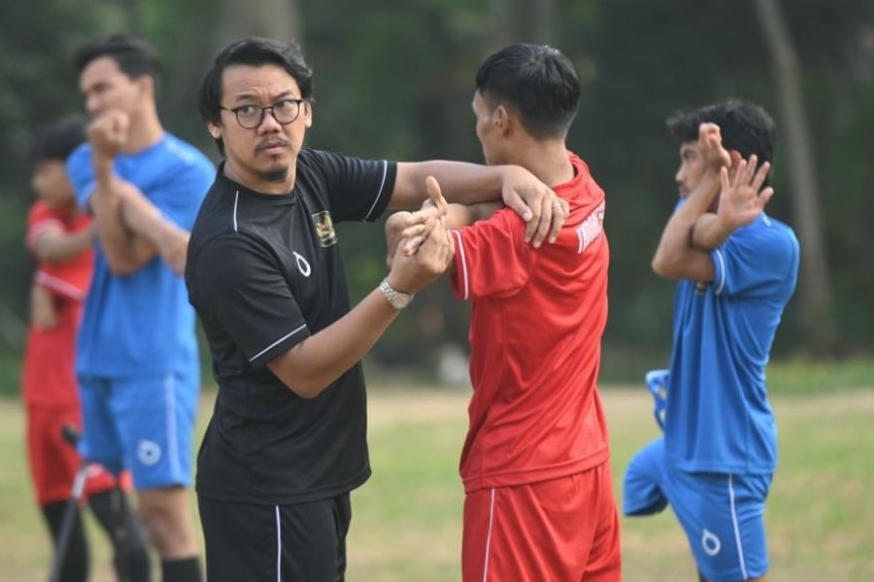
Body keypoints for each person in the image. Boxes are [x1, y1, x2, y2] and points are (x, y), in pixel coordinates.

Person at [184, 36, 567, 581]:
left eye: (284, 105)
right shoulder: (231, 242)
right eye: (246, 110)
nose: (269, 123)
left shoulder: (309, 174)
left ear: (307, 112)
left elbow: (410, 180)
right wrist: (398, 288)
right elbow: (304, 371)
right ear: (216, 125)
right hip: (265, 487)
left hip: (315, 476)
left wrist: (504, 177)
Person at [387, 43, 621, 580]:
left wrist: (410, 225)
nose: (477, 131)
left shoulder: (519, 236)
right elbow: (485, 206)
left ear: (501, 119)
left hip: (522, 473)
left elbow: (420, 255)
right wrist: (465, 205)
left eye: (478, 119)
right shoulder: (583, 183)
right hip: (585, 461)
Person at [622, 101, 800, 582]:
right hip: (685, 444)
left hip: (725, 455)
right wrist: (713, 197)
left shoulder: (773, 245)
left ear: (731, 164)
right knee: (612, 491)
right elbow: (694, 232)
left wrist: (712, 187)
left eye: (689, 159)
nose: (681, 176)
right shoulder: (703, 222)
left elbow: (667, 259)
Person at [66, 35, 215, 582]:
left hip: (152, 359)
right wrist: (120, 189)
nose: (93, 104)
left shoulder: (189, 171)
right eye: (86, 93)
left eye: (103, 88)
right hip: (97, 355)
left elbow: (125, 260)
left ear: (143, 86)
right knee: (115, 510)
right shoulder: (86, 157)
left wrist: (115, 184)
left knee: (163, 517)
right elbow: (120, 240)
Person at [24, 114, 150, 581]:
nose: (38, 182)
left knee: (125, 535)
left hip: (85, 406)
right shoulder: (49, 217)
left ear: (78, 166)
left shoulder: (122, 236)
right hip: (41, 405)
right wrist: (100, 227)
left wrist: (110, 222)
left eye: (45, 169)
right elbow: (49, 248)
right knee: (65, 539)